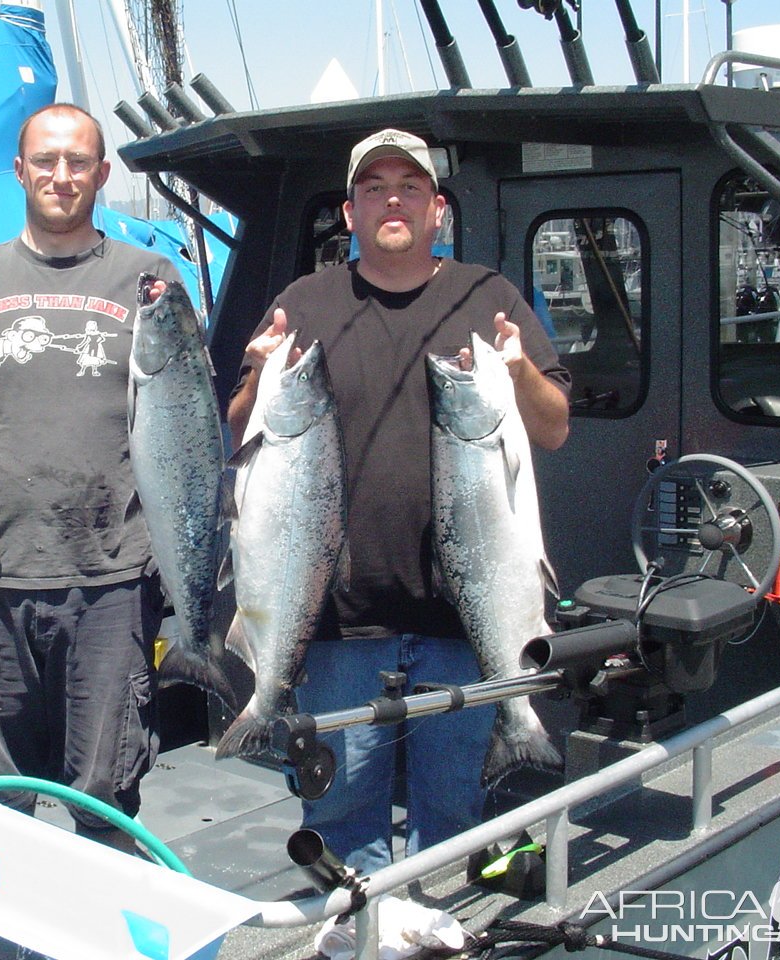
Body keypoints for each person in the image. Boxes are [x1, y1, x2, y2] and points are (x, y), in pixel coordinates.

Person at [227, 128, 571, 875]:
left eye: (409, 187)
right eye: (374, 187)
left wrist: (516, 372)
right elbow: (239, 430)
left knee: (453, 816)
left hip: (464, 623)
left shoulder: (490, 298)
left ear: (437, 209)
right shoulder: (302, 302)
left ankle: (438, 936)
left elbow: (553, 428)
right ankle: (354, 936)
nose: (392, 199)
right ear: (349, 212)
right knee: (343, 818)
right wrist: (256, 375)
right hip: (337, 624)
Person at [0, 103, 184, 852]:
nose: (62, 176)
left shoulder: (150, 280)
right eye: (46, 161)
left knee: (104, 795)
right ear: (20, 171)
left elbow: (185, 422)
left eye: (79, 162)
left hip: (110, 582)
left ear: (103, 174)